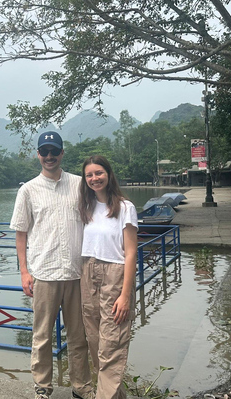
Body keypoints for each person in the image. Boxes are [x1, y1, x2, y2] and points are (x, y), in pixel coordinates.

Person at [11, 131, 94, 399]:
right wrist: (24, 272)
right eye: (44, 152)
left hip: (76, 273)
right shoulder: (28, 190)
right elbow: (21, 232)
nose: (49, 156)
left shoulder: (81, 185)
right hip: (43, 274)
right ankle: (42, 387)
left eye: (53, 152)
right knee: (42, 335)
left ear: (62, 154)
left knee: (78, 337)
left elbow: (98, 218)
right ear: (38, 155)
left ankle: (81, 387)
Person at [78, 155, 138, 399]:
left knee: (112, 343)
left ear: (109, 174)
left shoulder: (125, 208)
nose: (94, 178)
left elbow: (132, 253)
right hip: (87, 273)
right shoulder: (86, 207)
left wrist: (125, 295)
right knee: (95, 342)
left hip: (114, 274)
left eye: (99, 173)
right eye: (89, 175)